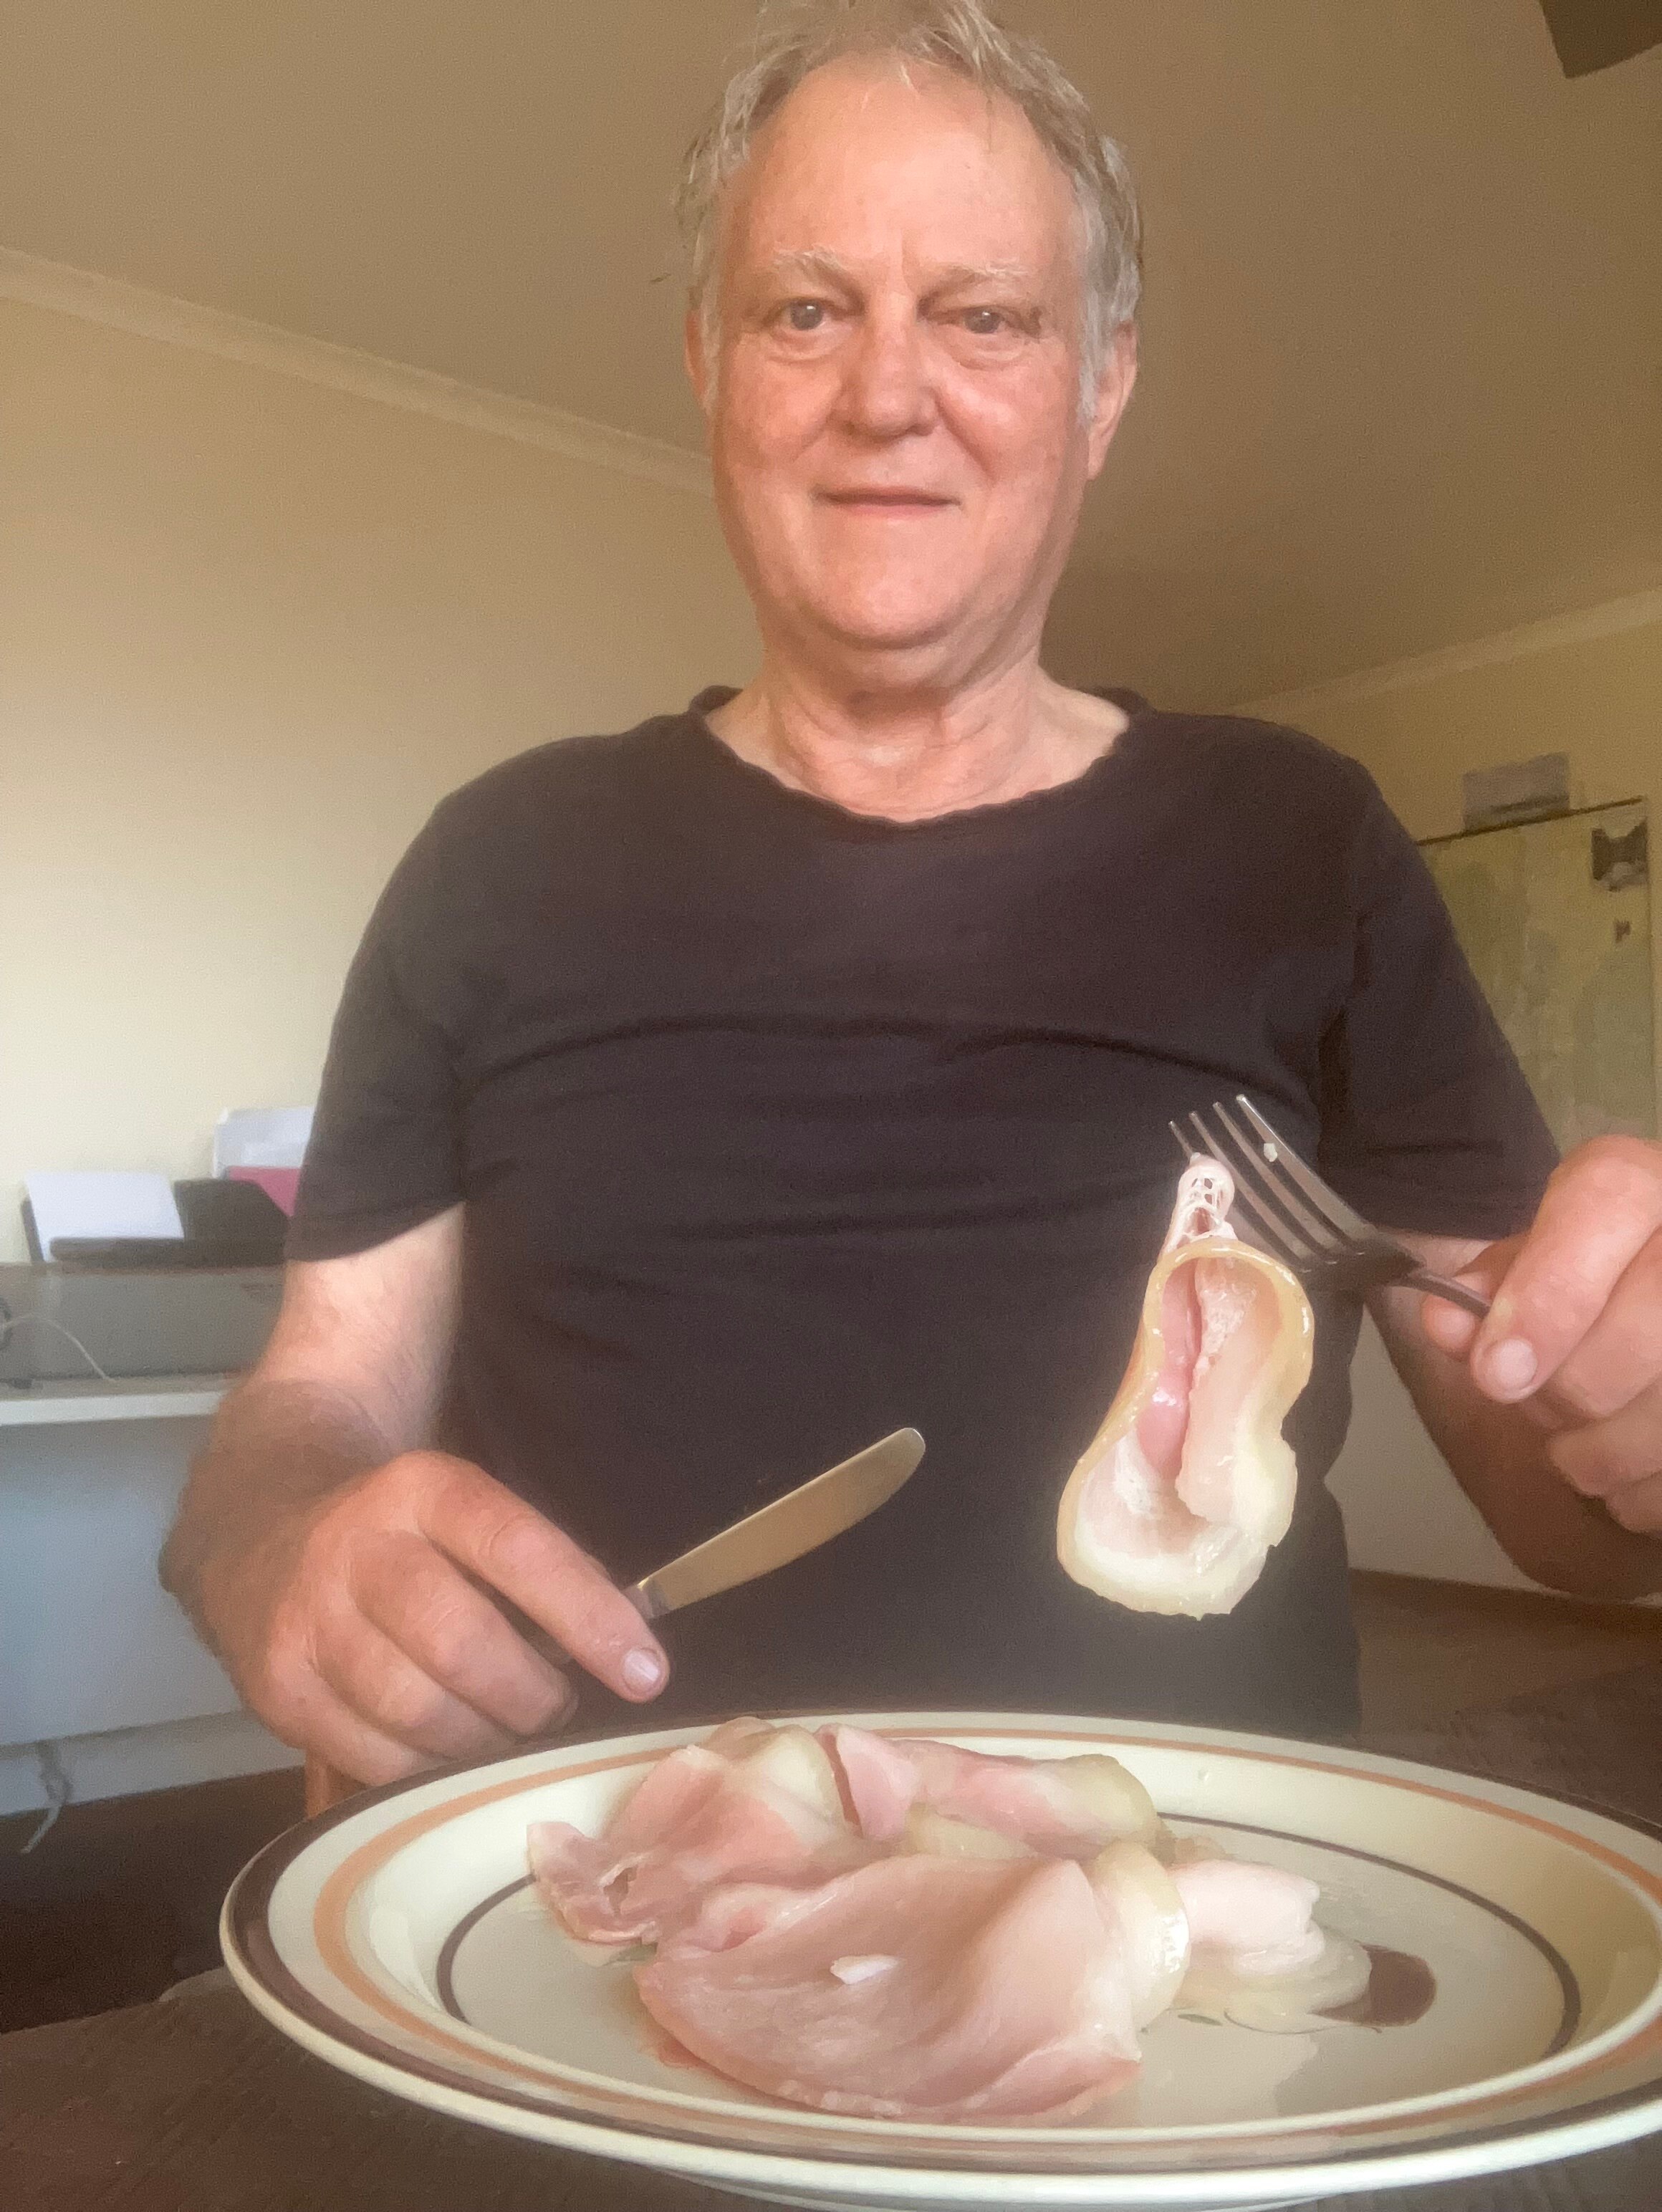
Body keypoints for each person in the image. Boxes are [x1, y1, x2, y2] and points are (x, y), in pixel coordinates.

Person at [161, 0, 1662, 1786]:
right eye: (807, 310)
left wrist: (1627, 1416)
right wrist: (275, 1551)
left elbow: (1557, 1504)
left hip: (1187, 1964)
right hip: (578, 1945)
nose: (887, 393)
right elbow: (313, 1399)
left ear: (1098, 385)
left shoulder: (1300, 840)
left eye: (984, 316)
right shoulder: (495, 862)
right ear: (712, 365)